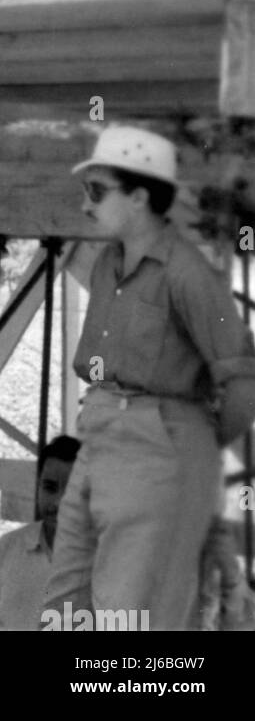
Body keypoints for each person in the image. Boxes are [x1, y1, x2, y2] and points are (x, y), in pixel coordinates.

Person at [43, 125, 255, 630]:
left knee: (134, 613)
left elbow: (243, 378)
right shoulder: (106, 266)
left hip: (156, 444)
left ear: (139, 197)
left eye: (97, 192)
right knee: (65, 602)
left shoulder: (189, 274)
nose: (85, 206)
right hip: (100, 435)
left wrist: (184, 445)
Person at [0, 434, 80, 630]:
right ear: (38, 486)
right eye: (49, 487)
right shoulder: (7, 549)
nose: (58, 503)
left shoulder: (106, 557)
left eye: (71, 492)